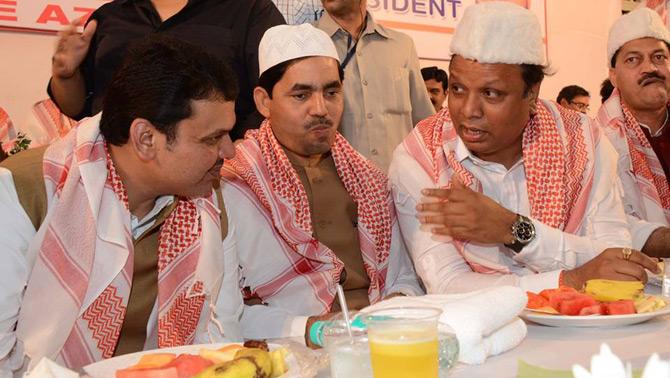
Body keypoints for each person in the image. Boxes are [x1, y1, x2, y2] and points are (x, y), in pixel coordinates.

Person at [0, 36, 243, 373]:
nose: (230, 152)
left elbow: (221, 332)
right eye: (212, 139)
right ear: (145, 139)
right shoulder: (26, 191)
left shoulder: (209, 202)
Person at [388, 1, 659, 295]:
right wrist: (568, 280)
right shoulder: (421, 157)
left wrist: (514, 230)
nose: (468, 110)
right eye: (457, 89)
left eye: (491, 94)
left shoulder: (582, 141)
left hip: (586, 327)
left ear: (532, 95)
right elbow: (448, 285)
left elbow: (615, 258)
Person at [221, 24, 423, 343]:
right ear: (263, 101)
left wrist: (396, 310)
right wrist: (314, 330)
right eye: (301, 95)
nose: (320, 109)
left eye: (331, 92)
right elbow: (223, 315)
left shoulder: (368, 177)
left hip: (380, 338)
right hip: (286, 349)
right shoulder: (234, 184)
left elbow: (404, 277)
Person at [48, 0, 285, 140]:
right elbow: (77, 108)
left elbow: (279, 93)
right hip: (114, 176)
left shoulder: (250, 9)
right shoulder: (110, 16)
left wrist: (239, 151)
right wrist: (66, 75)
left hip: (218, 176)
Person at [315, 0, 434, 171]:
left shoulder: (402, 45)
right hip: (335, 187)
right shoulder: (305, 45)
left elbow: (426, 124)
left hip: (398, 186)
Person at [596, 7, 670, 258]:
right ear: (614, 77)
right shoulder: (597, 141)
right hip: (641, 280)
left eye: (659, 57)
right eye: (633, 59)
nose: (650, 68)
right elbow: (609, 223)